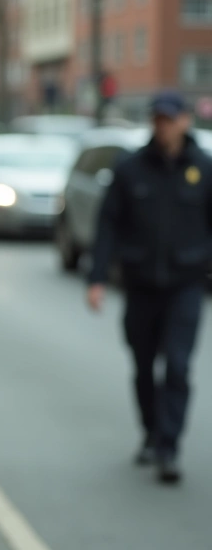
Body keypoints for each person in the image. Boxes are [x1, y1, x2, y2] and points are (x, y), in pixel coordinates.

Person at [87, 89, 211, 484]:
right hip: (140, 286)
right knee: (143, 366)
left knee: (177, 365)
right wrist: (97, 278)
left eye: (170, 119)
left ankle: (169, 447)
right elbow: (108, 225)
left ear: (185, 121)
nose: (163, 126)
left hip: (186, 286)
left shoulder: (204, 169)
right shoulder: (131, 169)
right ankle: (151, 432)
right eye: (157, 119)